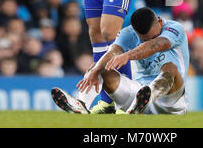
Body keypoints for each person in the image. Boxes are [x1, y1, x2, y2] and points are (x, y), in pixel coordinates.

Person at [51, 7, 189, 115]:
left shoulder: (174, 28)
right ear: (135, 31)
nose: (149, 40)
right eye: (144, 39)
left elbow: (157, 45)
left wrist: (127, 55)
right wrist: (95, 71)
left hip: (171, 101)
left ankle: (147, 98)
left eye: (153, 36)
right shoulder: (129, 33)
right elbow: (113, 52)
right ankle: (81, 104)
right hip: (137, 95)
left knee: (170, 67)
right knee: (100, 66)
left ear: (159, 22)